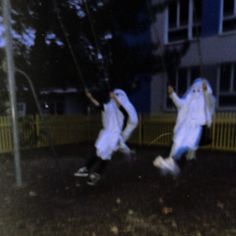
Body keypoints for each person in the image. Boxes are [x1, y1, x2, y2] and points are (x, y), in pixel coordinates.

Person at [74, 88, 138, 185]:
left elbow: (122, 107)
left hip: (115, 136)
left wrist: (115, 98)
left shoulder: (123, 111)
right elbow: (99, 106)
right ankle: (87, 168)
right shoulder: (109, 107)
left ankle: (94, 173)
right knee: (98, 151)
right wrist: (90, 97)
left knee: (106, 155)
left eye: (118, 97)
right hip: (106, 134)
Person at [153, 78, 215, 176]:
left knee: (187, 143)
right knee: (177, 140)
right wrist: (172, 94)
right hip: (185, 125)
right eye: (194, 89)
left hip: (196, 126)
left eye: (199, 89)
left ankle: (177, 162)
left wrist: (205, 90)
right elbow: (180, 103)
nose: (196, 92)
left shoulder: (205, 98)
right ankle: (170, 161)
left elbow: (209, 101)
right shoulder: (190, 98)